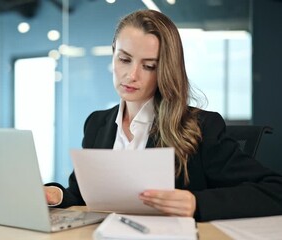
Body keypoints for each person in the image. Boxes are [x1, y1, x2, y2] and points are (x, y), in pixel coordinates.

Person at [44, 9, 282, 222]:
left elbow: (275, 190)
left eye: (149, 66)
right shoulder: (97, 123)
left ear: (165, 70)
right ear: (113, 53)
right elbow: (82, 193)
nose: (131, 75)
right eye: (124, 59)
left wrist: (196, 203)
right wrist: (56, 195)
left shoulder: (201, 127)